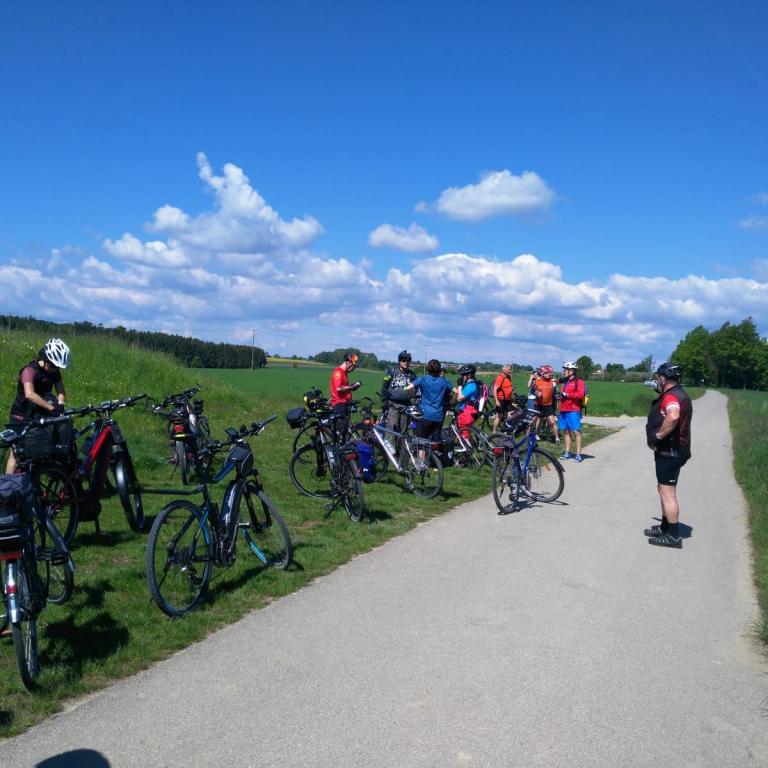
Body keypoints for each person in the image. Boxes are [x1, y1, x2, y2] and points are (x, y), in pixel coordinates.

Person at [644, 362, 692, 549]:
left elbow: (673, 416)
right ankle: (665, 527)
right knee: (663, 489)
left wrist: (658, 436)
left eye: (659, 377)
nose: (658, 381)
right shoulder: (680, 393)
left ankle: (673, 537)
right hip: (673, 451)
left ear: (663, 378)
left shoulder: (671, 396)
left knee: (668, 493)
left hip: (670, 451)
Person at [6, 338, 71, 473]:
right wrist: (51, 408)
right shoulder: (29, 371)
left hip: (38, 414)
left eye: (58, 367)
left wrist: (60, 404)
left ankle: (32, 478)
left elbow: (61, 392)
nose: (55, 369)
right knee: (16, 454)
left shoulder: (54, 372)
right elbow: (29, 394)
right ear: (45, 358)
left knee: (36, 450)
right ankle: (9, 484)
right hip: (21, 415)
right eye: (53, 366)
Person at [404, 359, 455, 468]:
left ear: (428, 369)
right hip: (438, 416)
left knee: (422, 440)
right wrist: (451, 402)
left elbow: (408, 388)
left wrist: (413, 395)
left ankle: (421, 464)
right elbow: (457, 392)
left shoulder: (423, 379)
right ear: (439, 369)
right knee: (434, 440)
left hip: (425, 415)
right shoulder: (444, 381)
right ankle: (434, 462)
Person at [380, 350, 417, 440]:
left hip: (406, 406)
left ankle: (401, 448)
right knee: (392, 429)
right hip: (393, 405)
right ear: (399, 361)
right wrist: (384, 398)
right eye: (404, 360)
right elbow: (384, 386)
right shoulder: (392, 372)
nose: (406, 362)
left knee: (403, 431)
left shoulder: (412, 375)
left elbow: (417, 390)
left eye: (408, 360)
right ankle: (390, 447)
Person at [558, 361, 586, 463]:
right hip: (563, 409)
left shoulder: (579, 381)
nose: (563, 371)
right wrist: (560, 396)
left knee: (576, 432)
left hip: (573, 410)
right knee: (566, 431)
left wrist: (567, 394)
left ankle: (578, 455)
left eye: (565, 370)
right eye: (564, 370)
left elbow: (580, 395)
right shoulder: (565, 381)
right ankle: (567, 452)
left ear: (572, 371)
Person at [329, 352, 361, 434]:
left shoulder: (344, 373)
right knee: (341, 431)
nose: (353, 369)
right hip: (339, 405)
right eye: (353, 367)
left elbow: (344, 388)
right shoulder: (338, 372)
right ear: (349, 363)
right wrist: (351, 387)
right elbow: (338, 388)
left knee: (344, 430)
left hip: (344, 404)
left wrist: (352, 386)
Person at [527, 365, 559, 443]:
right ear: (542, 373)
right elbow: (532, 391)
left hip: (548, 405)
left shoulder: (552, 382)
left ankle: (557, 438)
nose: (549, 374)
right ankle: (529, 436)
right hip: (538, 405)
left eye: (550, 373)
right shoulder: (537, 381)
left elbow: (555, 395)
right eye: (547, 373)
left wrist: (556, 404)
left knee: (552, 422)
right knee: (534, 420)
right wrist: (537, 394)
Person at [455, 364, 481, 438]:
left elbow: (459, 398)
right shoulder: (474, 384)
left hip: (467, 412)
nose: (462, 377)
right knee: (466, 431)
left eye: (463, 375)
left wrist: (460, 385)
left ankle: (465, 444)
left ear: (469, 375)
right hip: (472, 411)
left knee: (463, 433)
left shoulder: (471, 385)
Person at [492, 364, 514, 431]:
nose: (510, 371)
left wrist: (511, 398)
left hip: (507, 400)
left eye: (510, 369)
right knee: (499, 416)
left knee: (510, 414)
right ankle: (494, 432)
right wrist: (497, 401)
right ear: (504, 369)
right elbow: (494, 390)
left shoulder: (508, 377)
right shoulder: (500, 378)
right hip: (500, 400)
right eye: (509, 369)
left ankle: (506, 429)